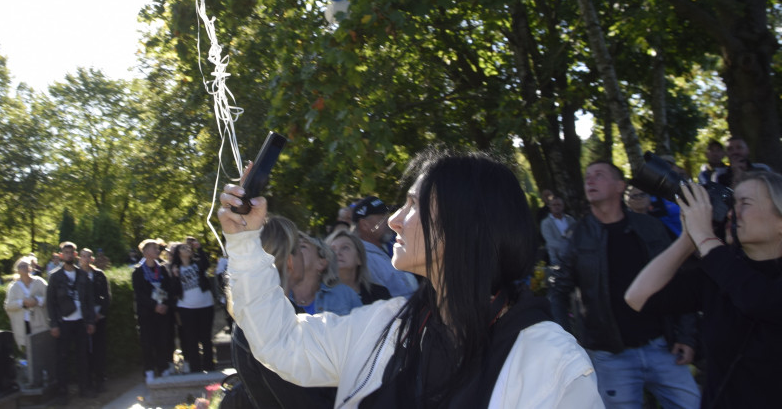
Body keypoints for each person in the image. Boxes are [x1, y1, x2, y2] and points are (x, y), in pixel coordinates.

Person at [221, 149, 600, 407]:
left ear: (463, 225)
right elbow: (279, 343)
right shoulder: (381, 327)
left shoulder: (553, 363)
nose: (393, 220)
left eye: (413, 205)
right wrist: (243, 240)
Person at [550, 160, 700, 408]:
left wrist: (687, 335)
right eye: (587, 176)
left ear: (620, 186)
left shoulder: (650, 227)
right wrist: (568, 343)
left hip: (662, 346)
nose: (590, 180)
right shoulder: (577, 236)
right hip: (610, 356)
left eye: (599, 175)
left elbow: (679, 280)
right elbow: (558, 291)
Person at [626, 171, 782, 408]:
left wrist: (705, 238)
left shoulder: (726, 271)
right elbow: (638, 297)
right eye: (731, 203)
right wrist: (688, 237)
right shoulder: (718, 275)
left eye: (745, 203)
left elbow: (760, 301)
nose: (732, 212)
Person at [229, 216, 335, 409]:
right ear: (290, 262)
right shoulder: (270, 322)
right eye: (300, 249)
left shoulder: (260, 316)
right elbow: (303, 401)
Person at [45, 242, 96, 403]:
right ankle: (62, 392)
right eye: (65, 252)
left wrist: (90, 321)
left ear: (75, 255)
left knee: (83, 357)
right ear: (61, 255)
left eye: (71, 253)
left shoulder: (82, 275)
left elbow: (89, 299)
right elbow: (50, 302)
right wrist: (53, 324)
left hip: (81, 322)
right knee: (62, 359)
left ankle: (84, 388)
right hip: (63, 323)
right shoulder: (55, 276)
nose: (68, 255)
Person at [352, 196, 417, 298]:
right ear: (364, 225)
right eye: (382, 218)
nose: (389, 221)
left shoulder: (383, 248)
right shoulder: (363, 258)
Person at [132, 239, 176, 383]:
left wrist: (164, 305)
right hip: (147, 313)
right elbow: (139, 294)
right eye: (153, 248)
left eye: (157, 248)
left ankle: (163, 367)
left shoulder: (162, 269)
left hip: (162, 313)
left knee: (162, 340)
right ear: (145, 252)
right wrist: (153, 305)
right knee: (147, 342)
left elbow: (169, 289)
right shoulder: (138, 271)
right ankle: (149, 370)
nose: (157, 251)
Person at [169, 242, 215, 373]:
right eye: (184, 248)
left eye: (188, 247)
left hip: (205, 304)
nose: (187, 249)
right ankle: (196, 367)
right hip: (187, 307)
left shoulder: (197, 263)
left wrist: (199, 248)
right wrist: (175, 276)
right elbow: (173, 290)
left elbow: (206, 264)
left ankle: (209, 365)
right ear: (178, 253)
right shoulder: (175, 269)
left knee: (206, 337)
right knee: (191, 338)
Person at [289, 234, 362, 315]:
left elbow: (364, 326)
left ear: (321, 263)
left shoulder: (345, 295)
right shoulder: (277, 294)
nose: (293, 251)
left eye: (303, 246)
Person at [327, 228, 391, 305]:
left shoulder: (379, 294)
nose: (337, 253)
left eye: (345, 248)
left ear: (359, 258)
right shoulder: (318, 297)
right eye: (332, 249)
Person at [79, 248, 110, 390]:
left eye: (88, 257)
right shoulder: (77, 275)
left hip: (98, 314)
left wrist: (100, 312)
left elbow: (106, 295)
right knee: (86, 349)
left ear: (92, 259)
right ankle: (88, 379)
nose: (85, 259)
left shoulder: (98, 274)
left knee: (99, 347)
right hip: (83, 316)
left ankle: (100, 378)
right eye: (83, 256)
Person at [4, 256, 48, 350]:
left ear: (30, 268)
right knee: (28, 350)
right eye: (21, 266)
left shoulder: (39, 282)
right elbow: (8, 305)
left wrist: (36, 300)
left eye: (26, 265)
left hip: (39, 322)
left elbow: (49, 297)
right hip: (23, 323)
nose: (24, 268)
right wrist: (22, 302)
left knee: (41, 348)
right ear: (18, 270)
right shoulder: (14, 287)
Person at [540, 196, 577, 267]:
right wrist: (568, 247)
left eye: (559, 205)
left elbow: (576, 235)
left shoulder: (570, 220)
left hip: (574, 257)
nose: (556, 207)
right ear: (550, 206)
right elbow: (550, 242)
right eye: (554, 205)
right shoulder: (546, 223)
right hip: (557, 259)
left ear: (563, 206)